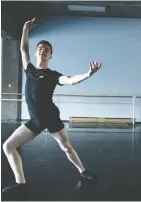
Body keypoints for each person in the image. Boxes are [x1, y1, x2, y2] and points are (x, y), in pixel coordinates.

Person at [2, 18, 102, 194]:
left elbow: (70, 80)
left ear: (50, 56)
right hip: (34, 120)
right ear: (36, 53)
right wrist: (25, 29)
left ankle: (83, 171)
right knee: (8, 146)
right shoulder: (30, 69)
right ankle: (21, 184)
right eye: (40, 48)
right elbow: (23, 49)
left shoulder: (53, 75)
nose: (43, 51)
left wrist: (88, 74)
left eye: (46, 50)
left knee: (66, 147)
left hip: (51, 117)